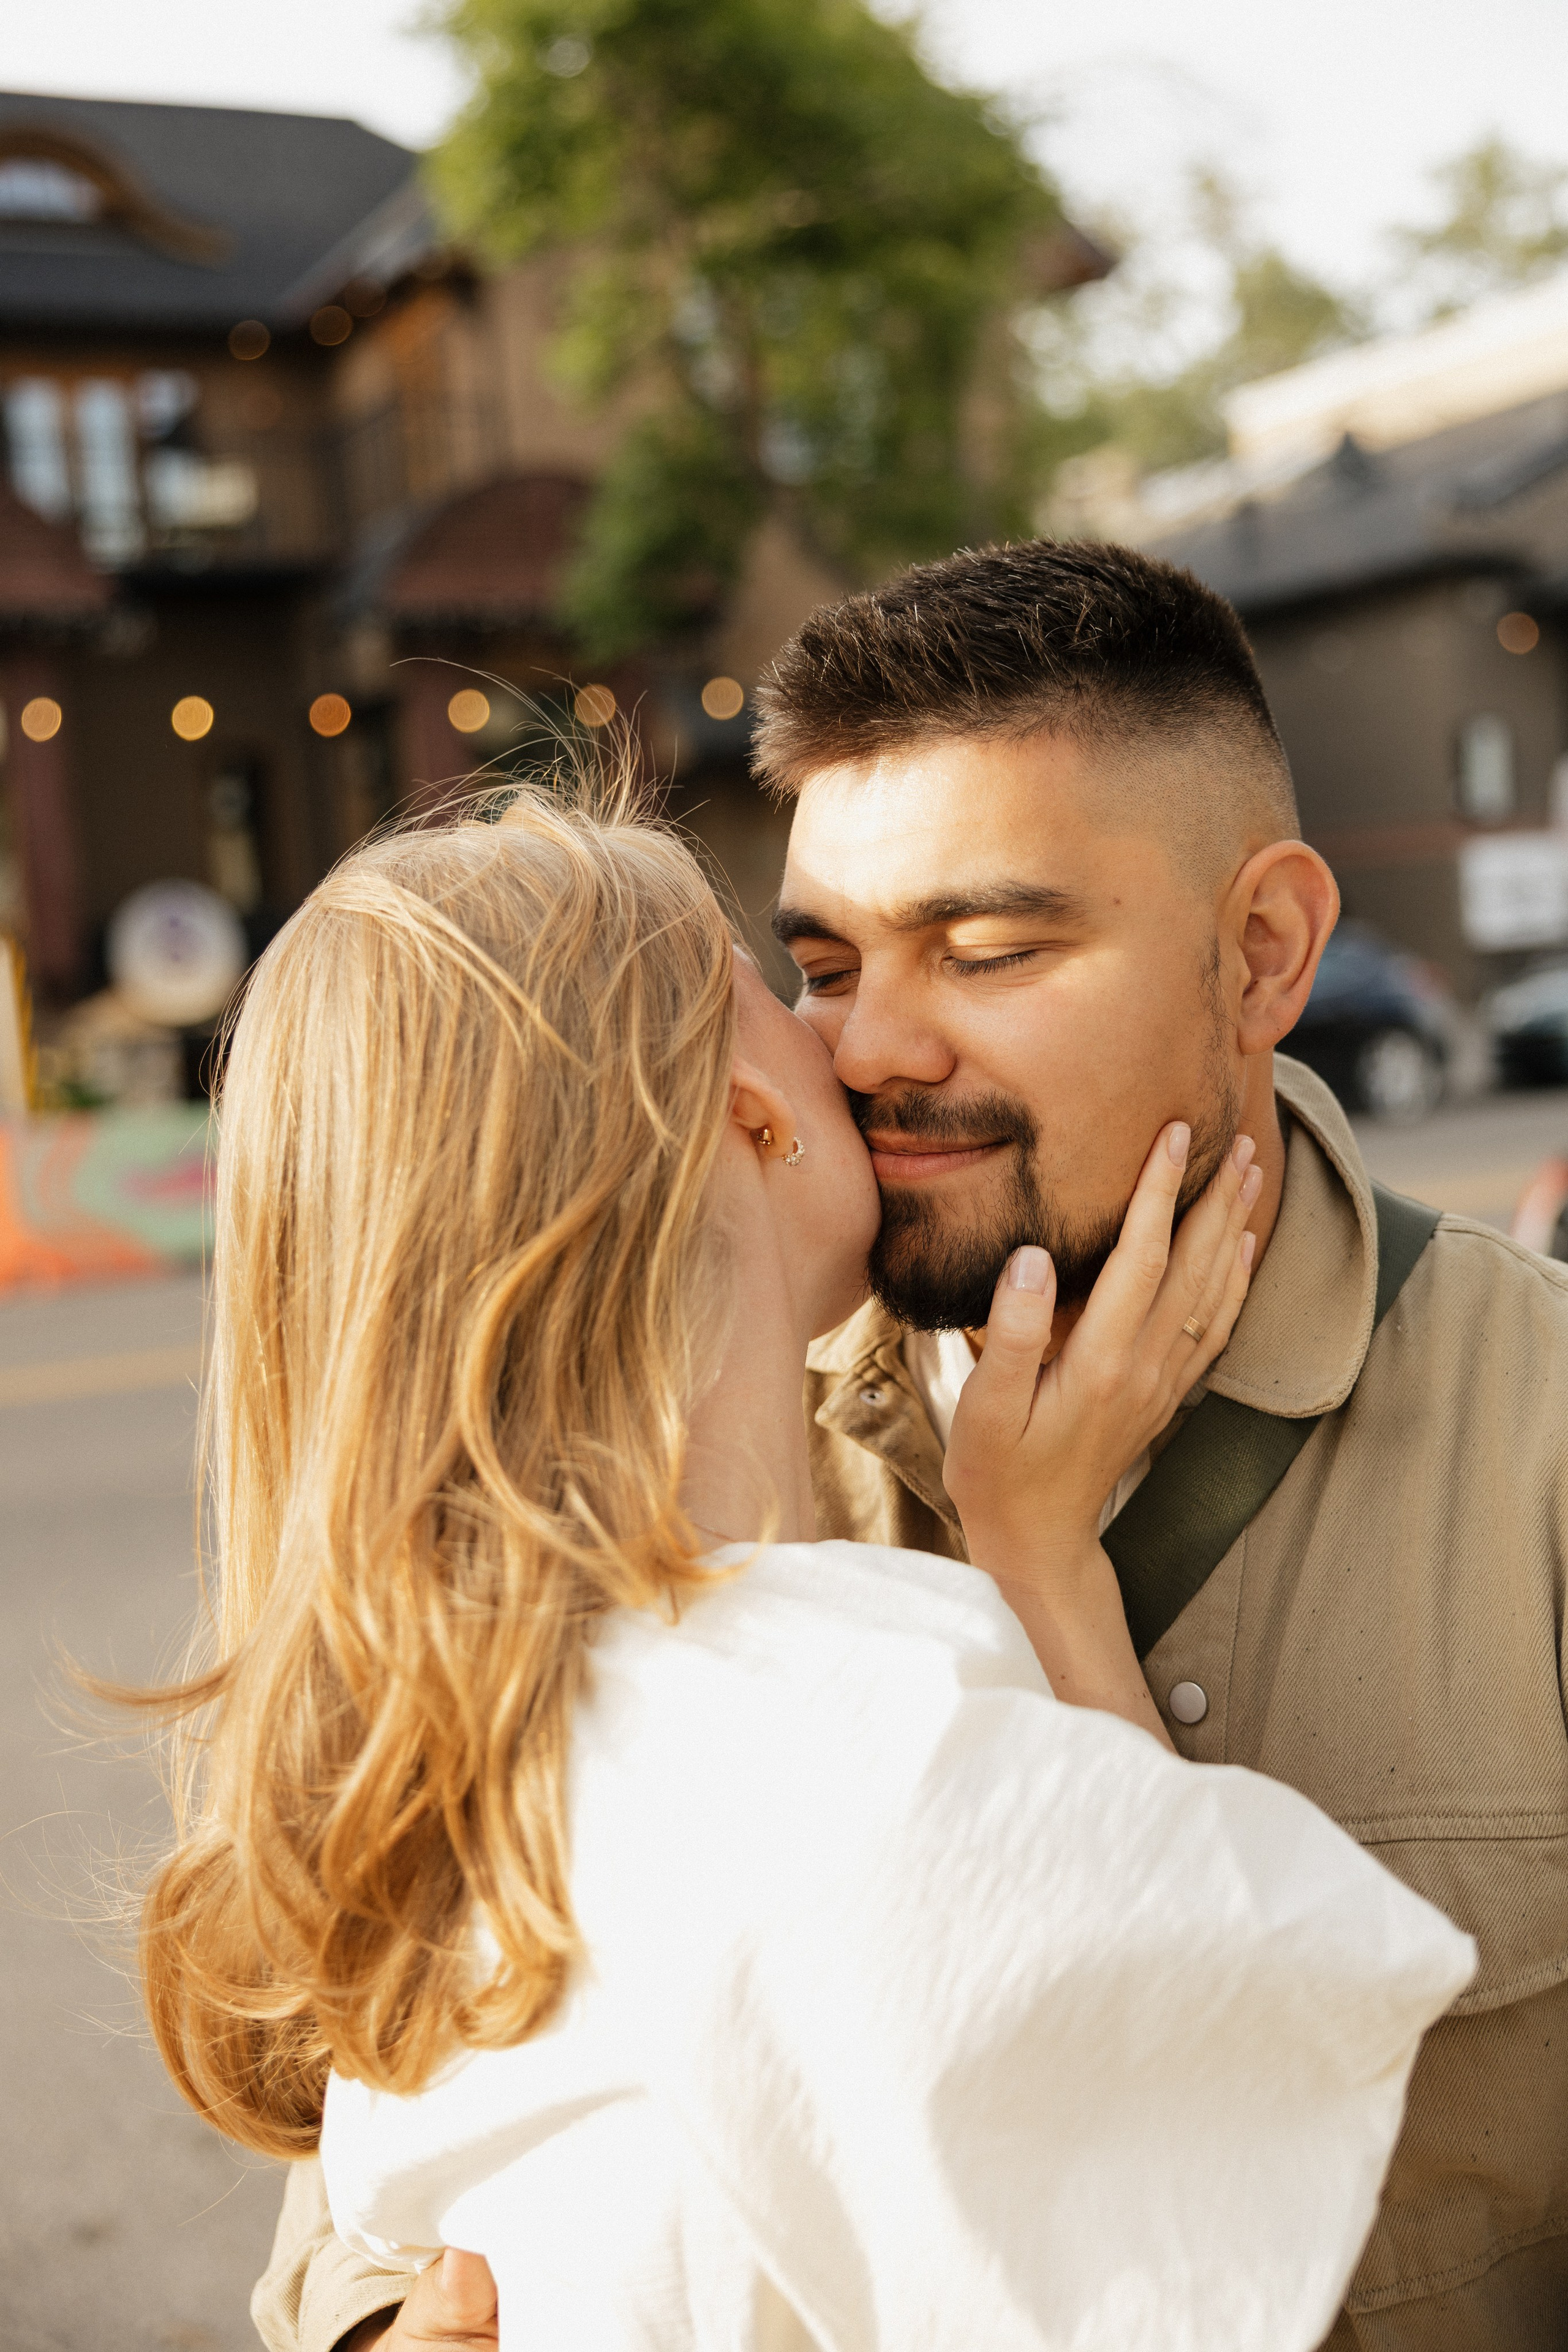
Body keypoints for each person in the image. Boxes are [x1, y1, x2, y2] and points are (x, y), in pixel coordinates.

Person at [257, 541, 1568, 2352]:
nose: (871, 1044)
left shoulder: (1543, 1438)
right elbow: (362, 2167)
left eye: (990, 946)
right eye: (819, 961)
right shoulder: (649, 1451)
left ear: (1264, 953)